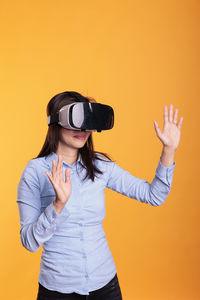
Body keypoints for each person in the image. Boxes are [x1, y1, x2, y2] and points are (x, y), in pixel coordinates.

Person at [17, 91, 183, 300]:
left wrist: (169, 150)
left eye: (88, 120)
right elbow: (29, 242)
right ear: (55, 122)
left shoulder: (100, 166)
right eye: (76, 120)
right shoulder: (35, 172)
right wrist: (58, 205)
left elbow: (154, 195)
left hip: (106, 286)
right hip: (58, 290)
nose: (84, 129)